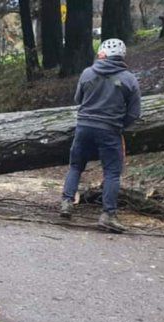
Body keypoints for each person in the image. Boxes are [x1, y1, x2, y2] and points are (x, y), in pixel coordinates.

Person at [60, 38, 141, 233]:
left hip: (84, 127)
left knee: (76, 166)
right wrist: (120, 125)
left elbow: (78, 99)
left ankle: (66, 202)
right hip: (110, 130)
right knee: (112, 172)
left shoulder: (88, 73)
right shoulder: (129, 79)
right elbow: (134, 113)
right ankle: (108, 215)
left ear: (102, 53)